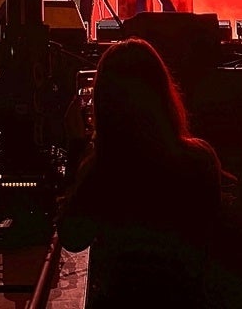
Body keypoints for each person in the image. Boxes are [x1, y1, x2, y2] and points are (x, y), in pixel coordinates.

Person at [57, 37, 226, 306]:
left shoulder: (104, 172)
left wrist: (77, 147)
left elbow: (72, 237)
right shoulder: (200, 159)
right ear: (162, 94)